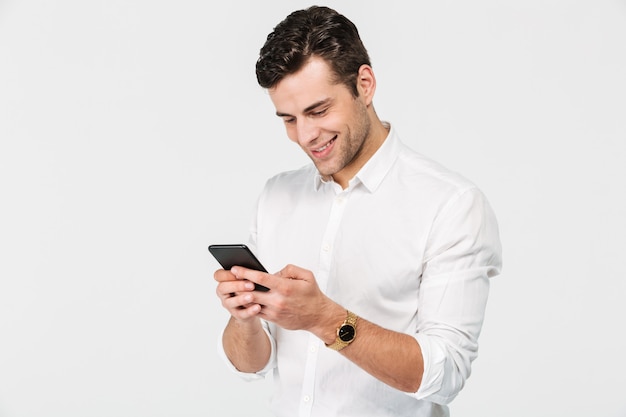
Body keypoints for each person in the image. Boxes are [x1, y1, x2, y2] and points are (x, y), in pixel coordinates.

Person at [213, 5, 502, 417]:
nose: (306, 136)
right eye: (289, 119)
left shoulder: (451, 205)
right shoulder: (277, 197)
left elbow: (447, 373)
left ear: (364, 85)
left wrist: (325, 319)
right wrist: (244, 319)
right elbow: (251, 365)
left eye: (318, 111)